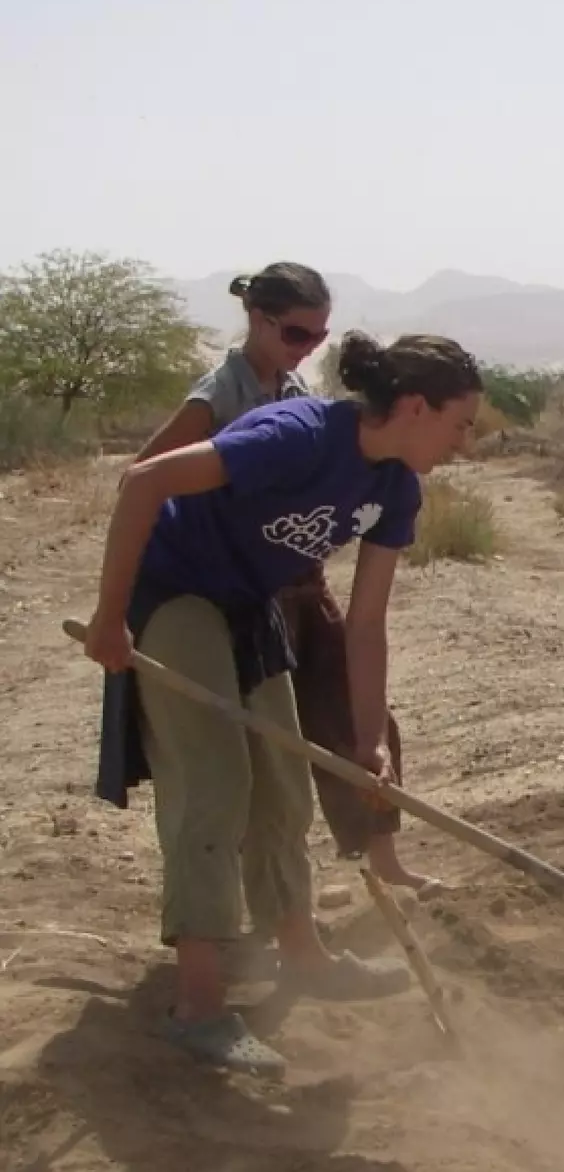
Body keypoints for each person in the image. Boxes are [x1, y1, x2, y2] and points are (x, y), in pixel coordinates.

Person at [86, 330, 486, 1077]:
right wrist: (112, 618)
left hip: (249, 601)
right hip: (175, 588)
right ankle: (199, 1005)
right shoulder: (296, 437)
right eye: (460, 423)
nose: (465, 441)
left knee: (283, 783)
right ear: (413, 405)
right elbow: (142, 483)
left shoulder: (396, 487)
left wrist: (367, 746)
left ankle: (303, 954)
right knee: (214, 782)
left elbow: (366, 625)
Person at [135, 262, 442, 905]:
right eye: (297, 333)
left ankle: (382, 856)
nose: (307, 348)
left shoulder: (295, 387)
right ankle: (246, 914)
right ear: (258, 319)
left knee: (364, 720)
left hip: (298, 579)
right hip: (227, 590)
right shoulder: (218, 395)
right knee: (245, 759)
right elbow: (148, 476)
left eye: (318, 337)